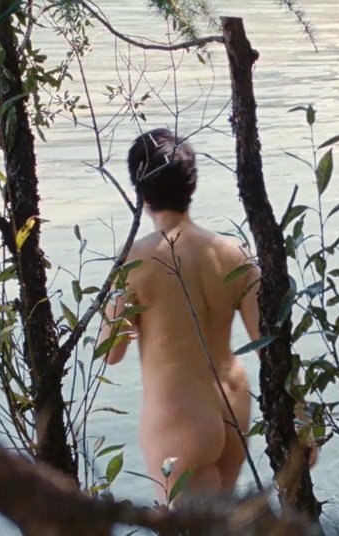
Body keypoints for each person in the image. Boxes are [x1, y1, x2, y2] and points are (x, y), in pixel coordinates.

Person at [96, 128, 260, 503]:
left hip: (179, 421)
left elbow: (111, 352)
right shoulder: (235, 253)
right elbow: (269, 344)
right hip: (235, 407)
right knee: (224, 524)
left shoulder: (134, 260)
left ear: (141, 195)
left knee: (187, 528)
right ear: (193, 186)